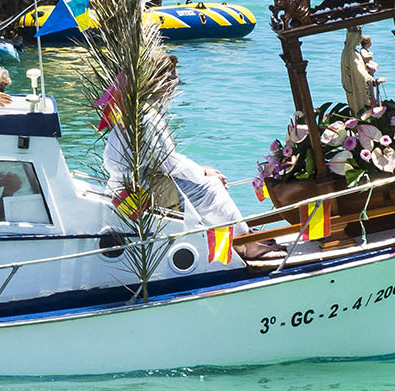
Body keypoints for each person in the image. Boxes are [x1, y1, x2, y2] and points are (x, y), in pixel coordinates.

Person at [101, 55, 285, 262]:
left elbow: (145, 158)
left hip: (124, 185)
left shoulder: (132, 110)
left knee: (204, 179)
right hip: (143, 190)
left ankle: (242, 238)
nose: (175, 84)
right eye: (172, 79)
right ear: (157, 82)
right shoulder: (148, 116)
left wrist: (199, 169)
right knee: (211, 187)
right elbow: (168, 162)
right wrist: (202, 173)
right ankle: (247, 244)